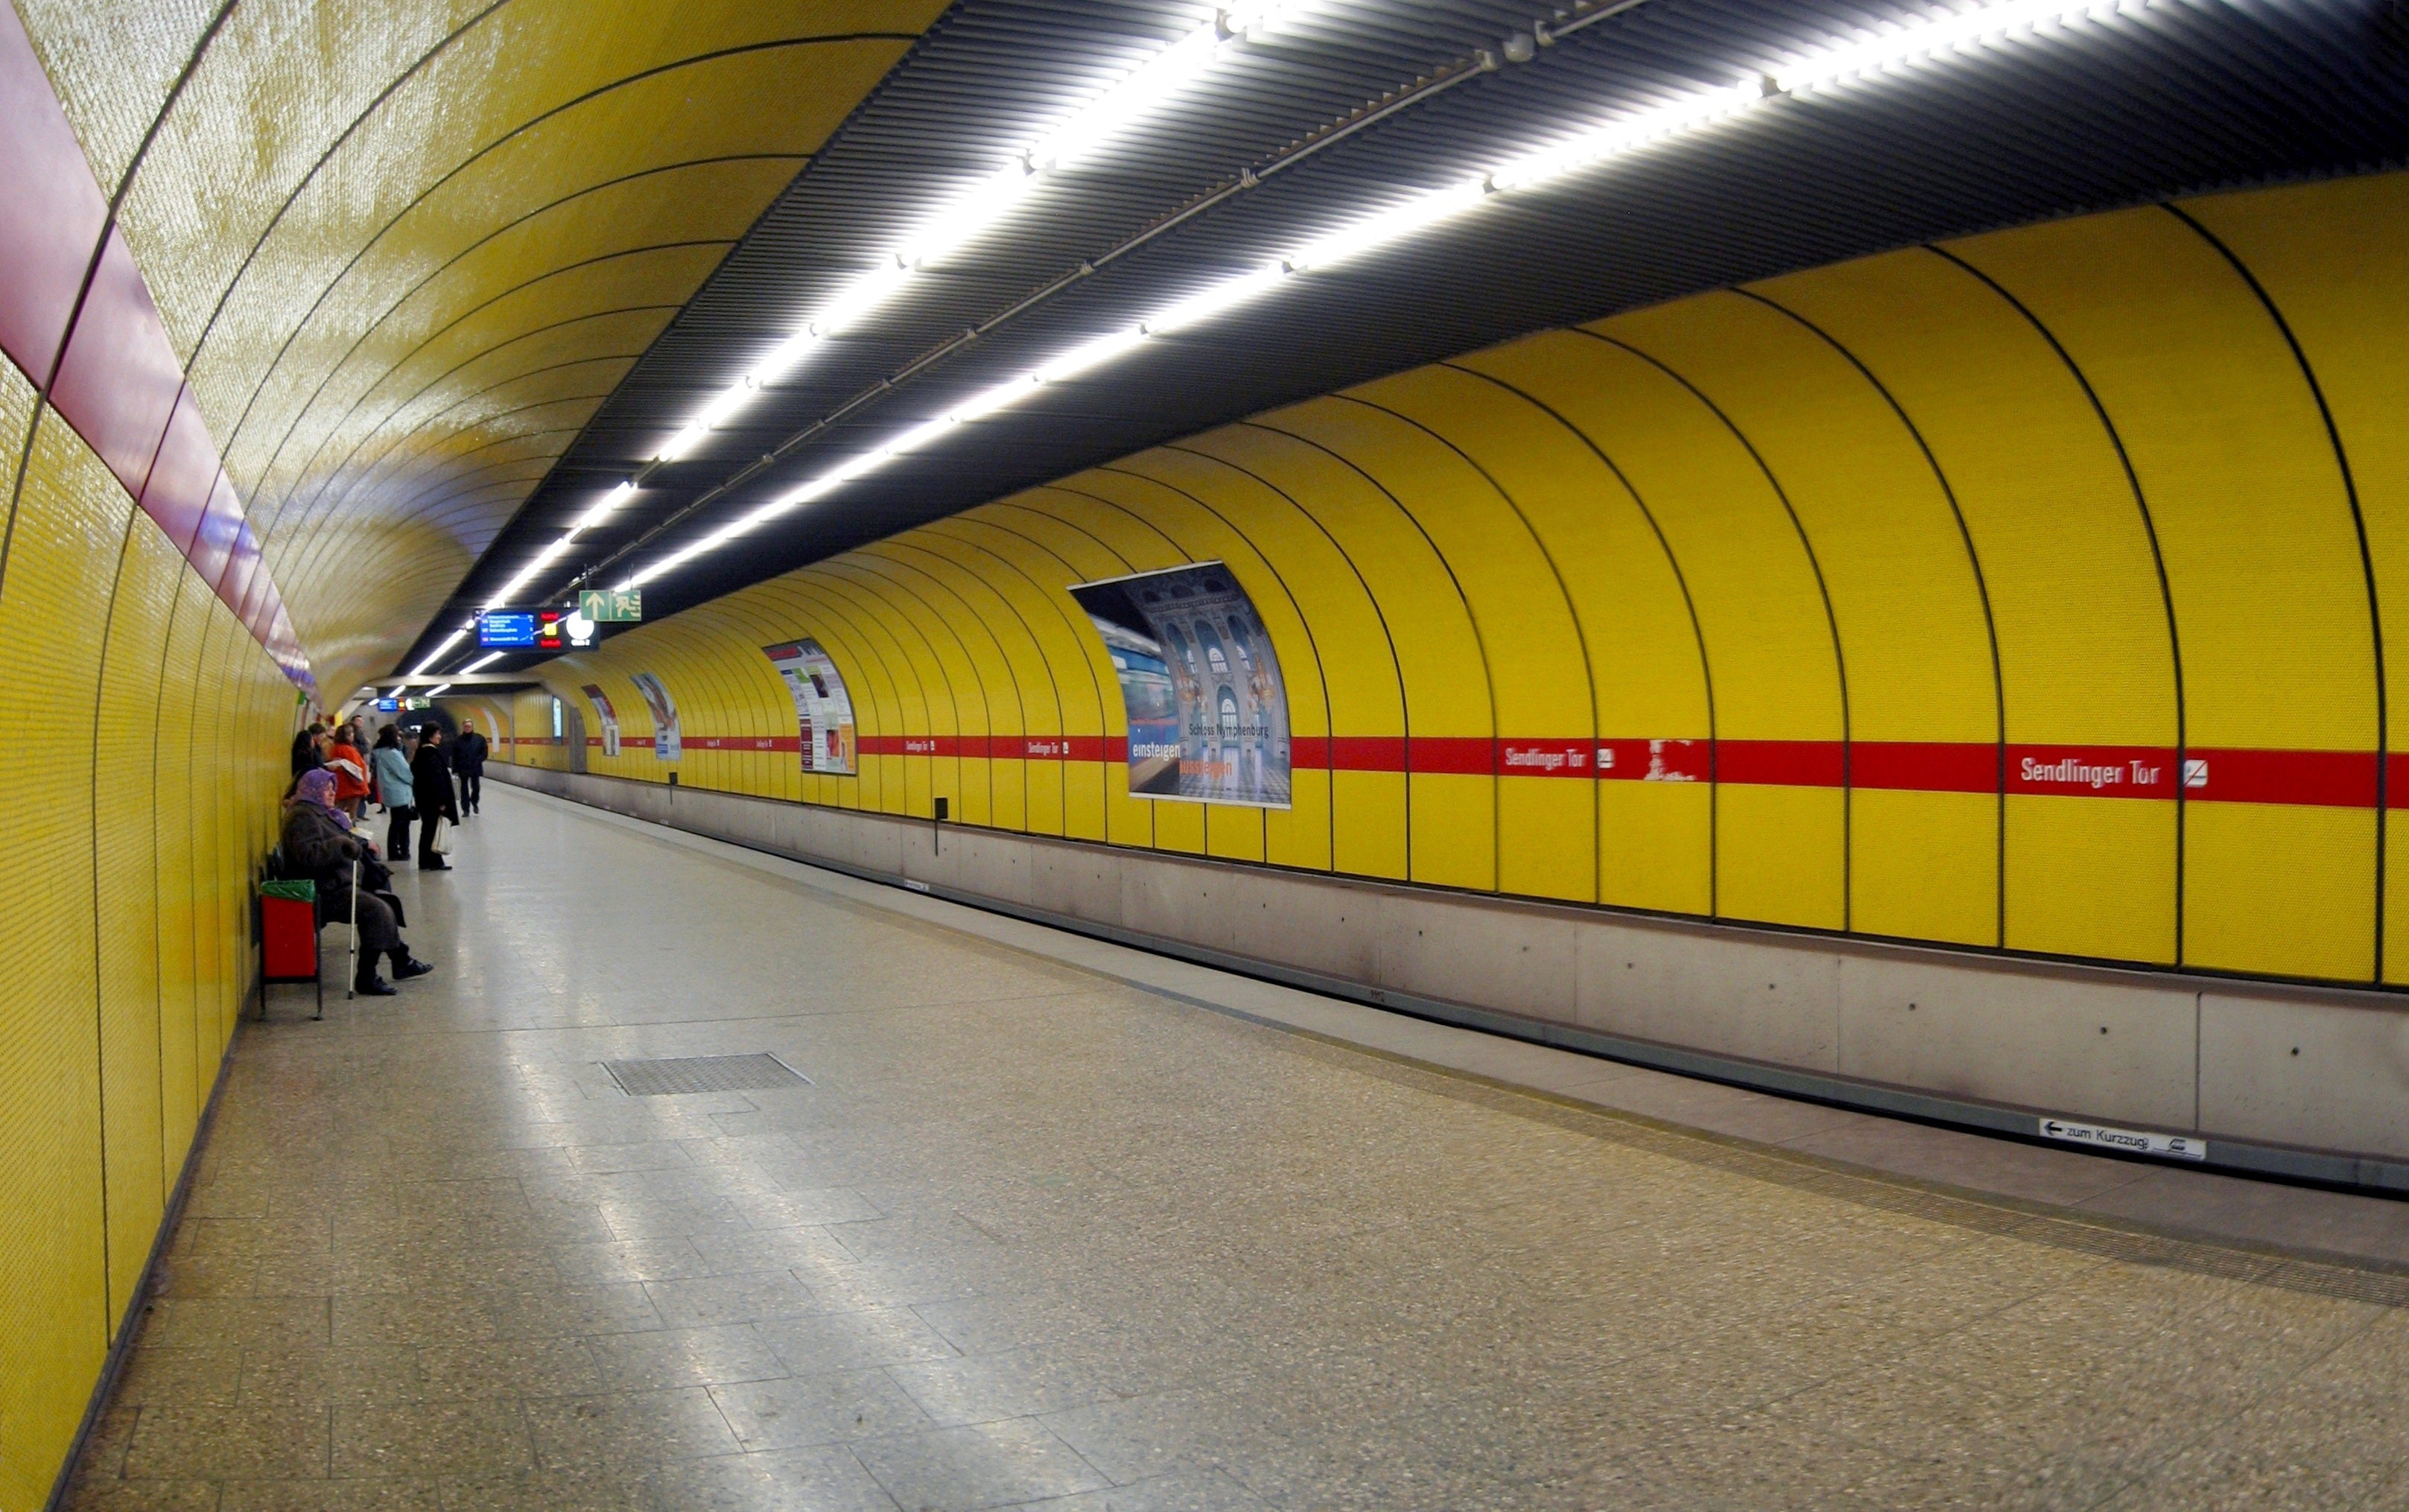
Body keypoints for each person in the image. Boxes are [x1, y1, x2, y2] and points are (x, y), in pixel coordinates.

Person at [280, 769, 431, 996]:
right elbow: (308, 856)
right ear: (313, 790)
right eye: (326, 789)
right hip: (324, 891)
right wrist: (341, 844)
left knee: (385, 901)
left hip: (335, 883)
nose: (333, 793)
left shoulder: (316, 812)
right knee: (377, 909)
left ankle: (401, 960)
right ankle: (367, 977)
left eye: (333, 788)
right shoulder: (302, 817)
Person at [410, 722, 459, 870]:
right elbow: (436, 780)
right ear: (430, 736)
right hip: (433, 801)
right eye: (437, 734)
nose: (440, 737)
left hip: (424, 800)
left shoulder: (421, 753)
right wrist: (442, 802)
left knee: (428, 830)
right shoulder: (431, 754)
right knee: (432, 830)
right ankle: (433, 862)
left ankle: (427, 861)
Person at [371, 725, 416, 861]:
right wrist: (415, 781)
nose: (399, 738)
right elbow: (405, 772)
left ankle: (397, 851)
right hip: (399, 792)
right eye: (397, 735)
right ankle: (398, 852)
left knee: (396, 823)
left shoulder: (381, 753)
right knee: (401, 824)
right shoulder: (392, 754)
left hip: (391, 791)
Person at [326, 721, 371, 821]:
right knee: (351, 815)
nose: (353, 735)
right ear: (346, 736)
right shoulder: (348, 749)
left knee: (338, 811)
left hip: (341, 784)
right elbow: (355, 768)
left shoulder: (335, 748)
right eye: (351, 734)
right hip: (352, 786)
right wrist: (361, 784)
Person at [453, 718, 489, 816]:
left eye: (469, 726)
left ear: (472, 727)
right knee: (464, 789)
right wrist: (454, 770)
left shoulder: (479, 739)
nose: (467, 728)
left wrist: (478, 760)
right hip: (462, 768)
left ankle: (474, 801)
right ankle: (466, 809)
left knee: (476, 787)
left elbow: (484, 752)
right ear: (463, 728)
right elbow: (455, 756)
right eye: (466, 727)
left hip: (475, 767)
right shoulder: (458, 741)